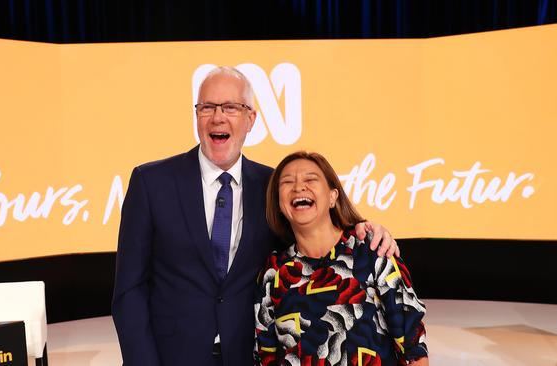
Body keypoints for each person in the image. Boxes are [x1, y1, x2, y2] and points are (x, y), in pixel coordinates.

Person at [112, 66, 399, 366]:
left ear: (251, 119)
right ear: (196, 116)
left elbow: (316, 234)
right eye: (207, 107)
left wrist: (363, 228)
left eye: (230, 107)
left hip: (248, 357)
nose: (217, 117)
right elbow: (129, 290)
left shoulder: (273, 185)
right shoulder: (151, 182)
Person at [255, 151, 428, 366]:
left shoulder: (371, 250)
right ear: (279, 204)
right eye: (287, 182)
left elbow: (414, 350)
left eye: (310, 179)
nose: (298, 187)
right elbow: (265, 355)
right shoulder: (275, 272)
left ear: (333, 196)